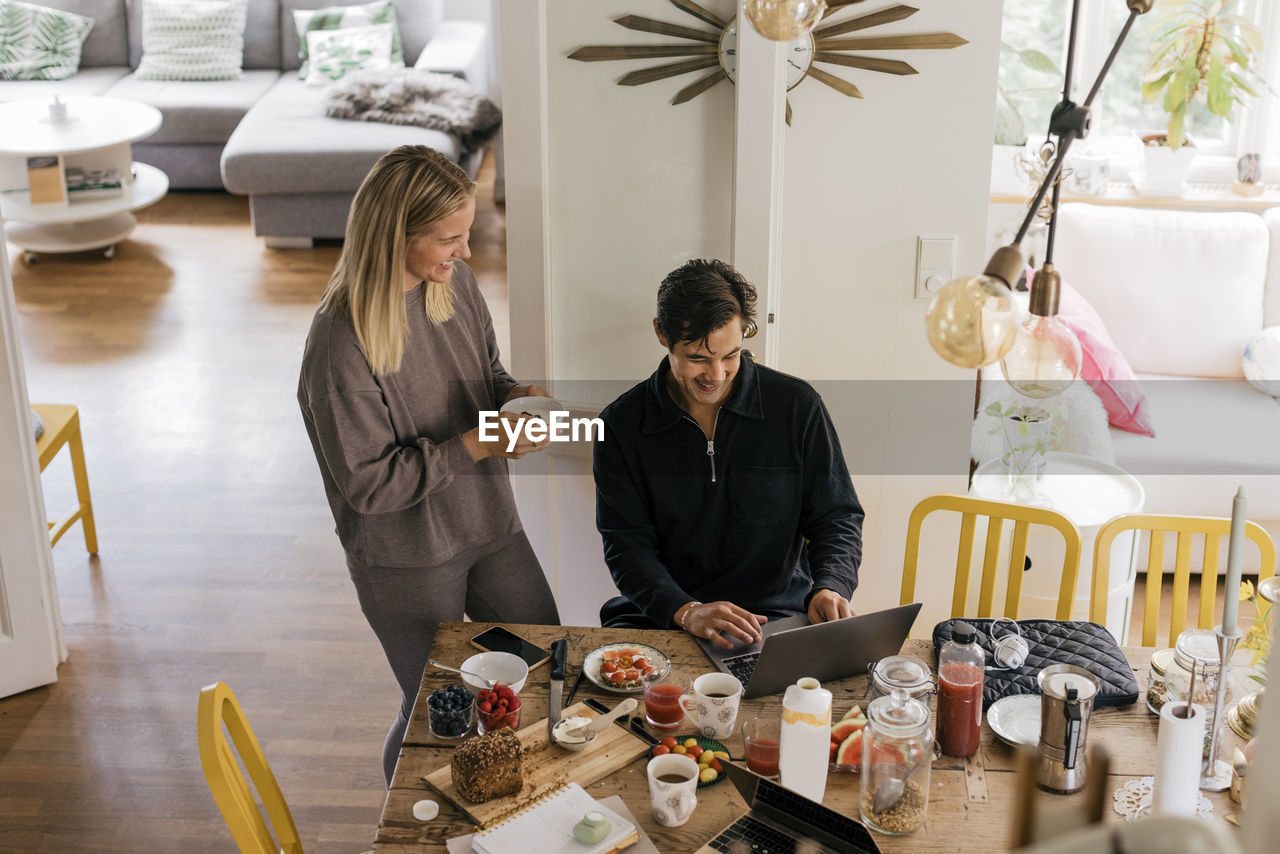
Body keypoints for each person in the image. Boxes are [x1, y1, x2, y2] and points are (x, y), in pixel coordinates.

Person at [298, 145, 559, 785]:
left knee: (548, 662)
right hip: (406, 556)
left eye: (466, 234)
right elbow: (368, 484)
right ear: (397, 235)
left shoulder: (453, 284)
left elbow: (489, 375)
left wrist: (516, 401)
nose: (466, 253)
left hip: (488, 523)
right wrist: (480, 442)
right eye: (450, 238)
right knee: (438, 713)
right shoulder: (340, 344)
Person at [594, 259, 863, 649]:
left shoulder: (797, 406)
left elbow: (837, 516)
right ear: (660, 333)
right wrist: (686, 610)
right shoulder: (620, 426)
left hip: (778, 614)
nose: (716, 375)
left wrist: (830, 586)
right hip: (665, 616)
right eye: (698, 358)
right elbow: (626, 547)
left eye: (731, 355)